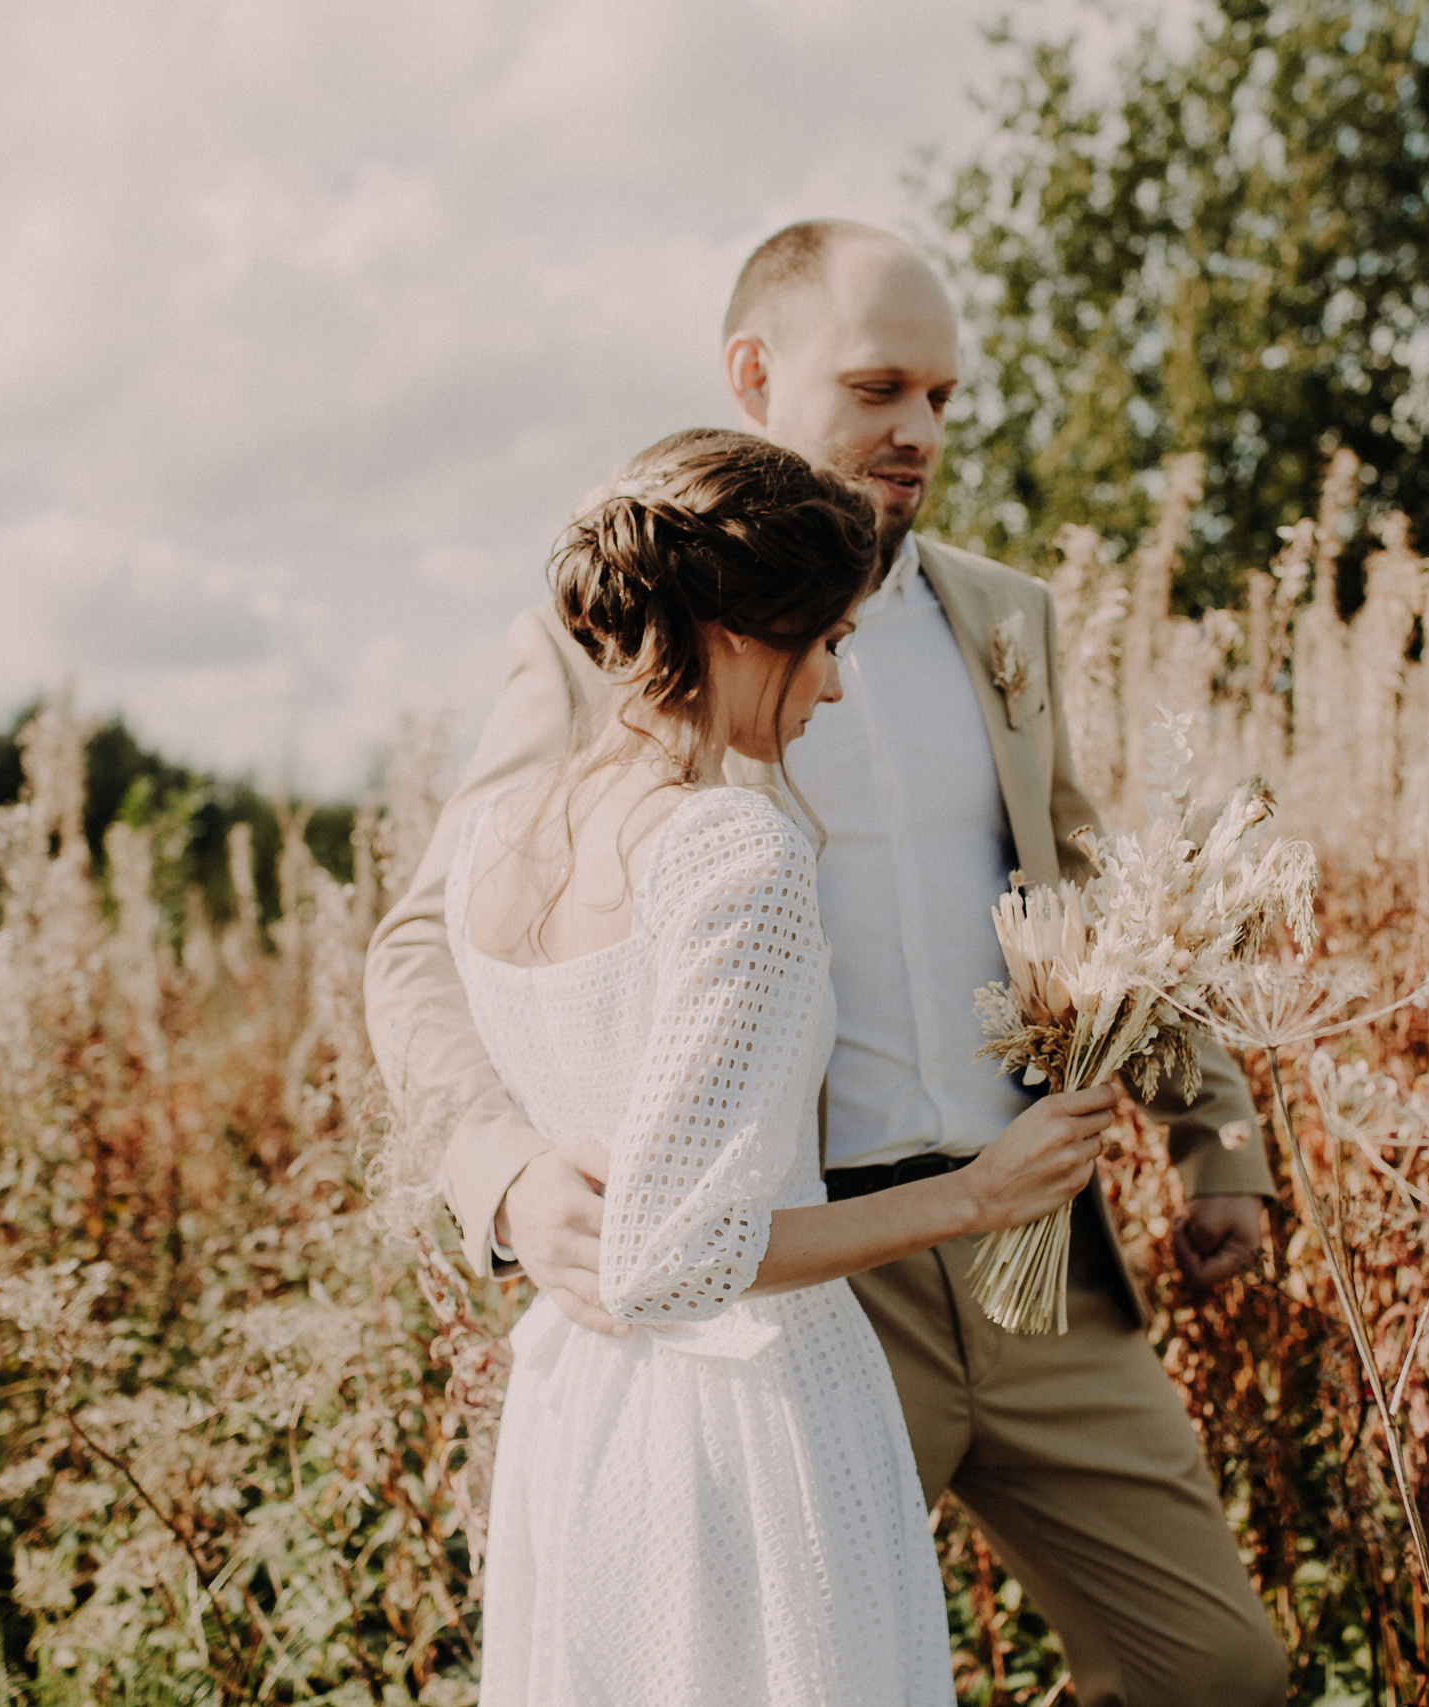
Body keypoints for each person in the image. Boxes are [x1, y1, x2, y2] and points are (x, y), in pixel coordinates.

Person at [369, 222, 1291, 1706]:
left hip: (1034, 1251)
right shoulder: (616, 629)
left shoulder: (1005, 617)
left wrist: (1216, 1135)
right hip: (793, 1281)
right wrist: (503, 1174)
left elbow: (1115, 887)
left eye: (941, 395)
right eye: (879, 387)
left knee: (1219, 1674)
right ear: (754, 373)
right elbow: (428, 933)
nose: (918, 430)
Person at [444, 426, 1119, 1706]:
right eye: (832, 644)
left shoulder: (493, 835)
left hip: (578, 1403)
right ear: (743, 636)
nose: (838, 688)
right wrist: (983, 1192)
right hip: (748, 1419)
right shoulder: (730, 855)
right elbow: (677, 1258)